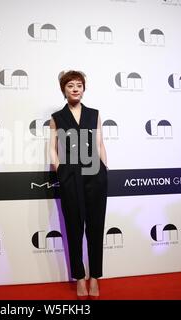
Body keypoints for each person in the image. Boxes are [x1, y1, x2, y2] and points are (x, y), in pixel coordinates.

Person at [49, 70, 108, 299]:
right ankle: (79, 277)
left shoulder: (94, 114)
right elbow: (52, 148)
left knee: (96, 227)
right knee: (74, 228)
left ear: (84, 88)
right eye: (71, 85)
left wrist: (105, 169)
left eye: (79, 85)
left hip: (96, 174)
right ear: (63, 90)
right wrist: (61, 170)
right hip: (70, 176)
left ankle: (95, 277)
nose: (75, 88)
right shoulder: (57, 117)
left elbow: (101, 143)